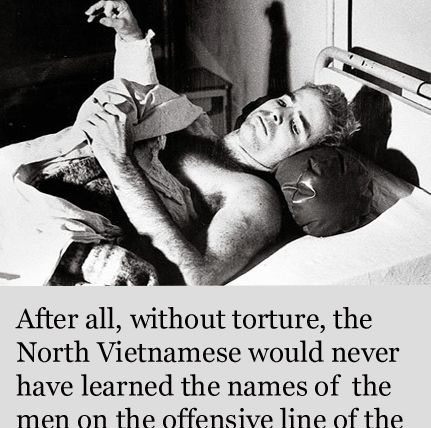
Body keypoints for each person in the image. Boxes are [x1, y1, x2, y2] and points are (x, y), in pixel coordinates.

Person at [67, 1, 358, 285]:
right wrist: (131, 37)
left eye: (295, 126)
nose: (276, 114)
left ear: (298, 157)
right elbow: (144, 112)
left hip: (85, 223)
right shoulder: (202, 131)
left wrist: (119, 164)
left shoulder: (255, 198)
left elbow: (199, 278)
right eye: (284, 102)